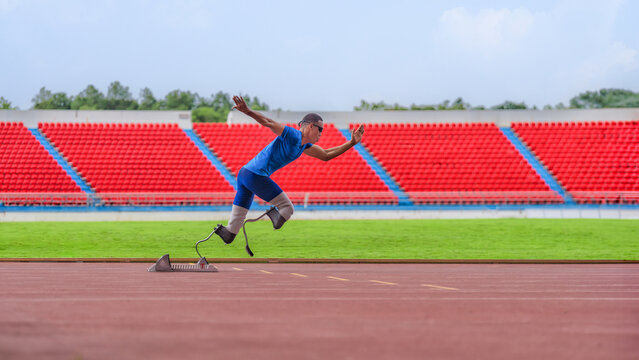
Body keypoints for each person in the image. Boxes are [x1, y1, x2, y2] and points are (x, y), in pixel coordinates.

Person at [213, 95, 365, 244]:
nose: (321, 134)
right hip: (254, 175)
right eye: (320, 130)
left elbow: (326, 155)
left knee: (230, 235)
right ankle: (273, 214)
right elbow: (268, 122)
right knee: (287, 208)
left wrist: (351, 143)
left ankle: (226, 231)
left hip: (245, 174)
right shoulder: (293, 135)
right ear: (311, 126)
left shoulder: (304, 145)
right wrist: (247, 111)